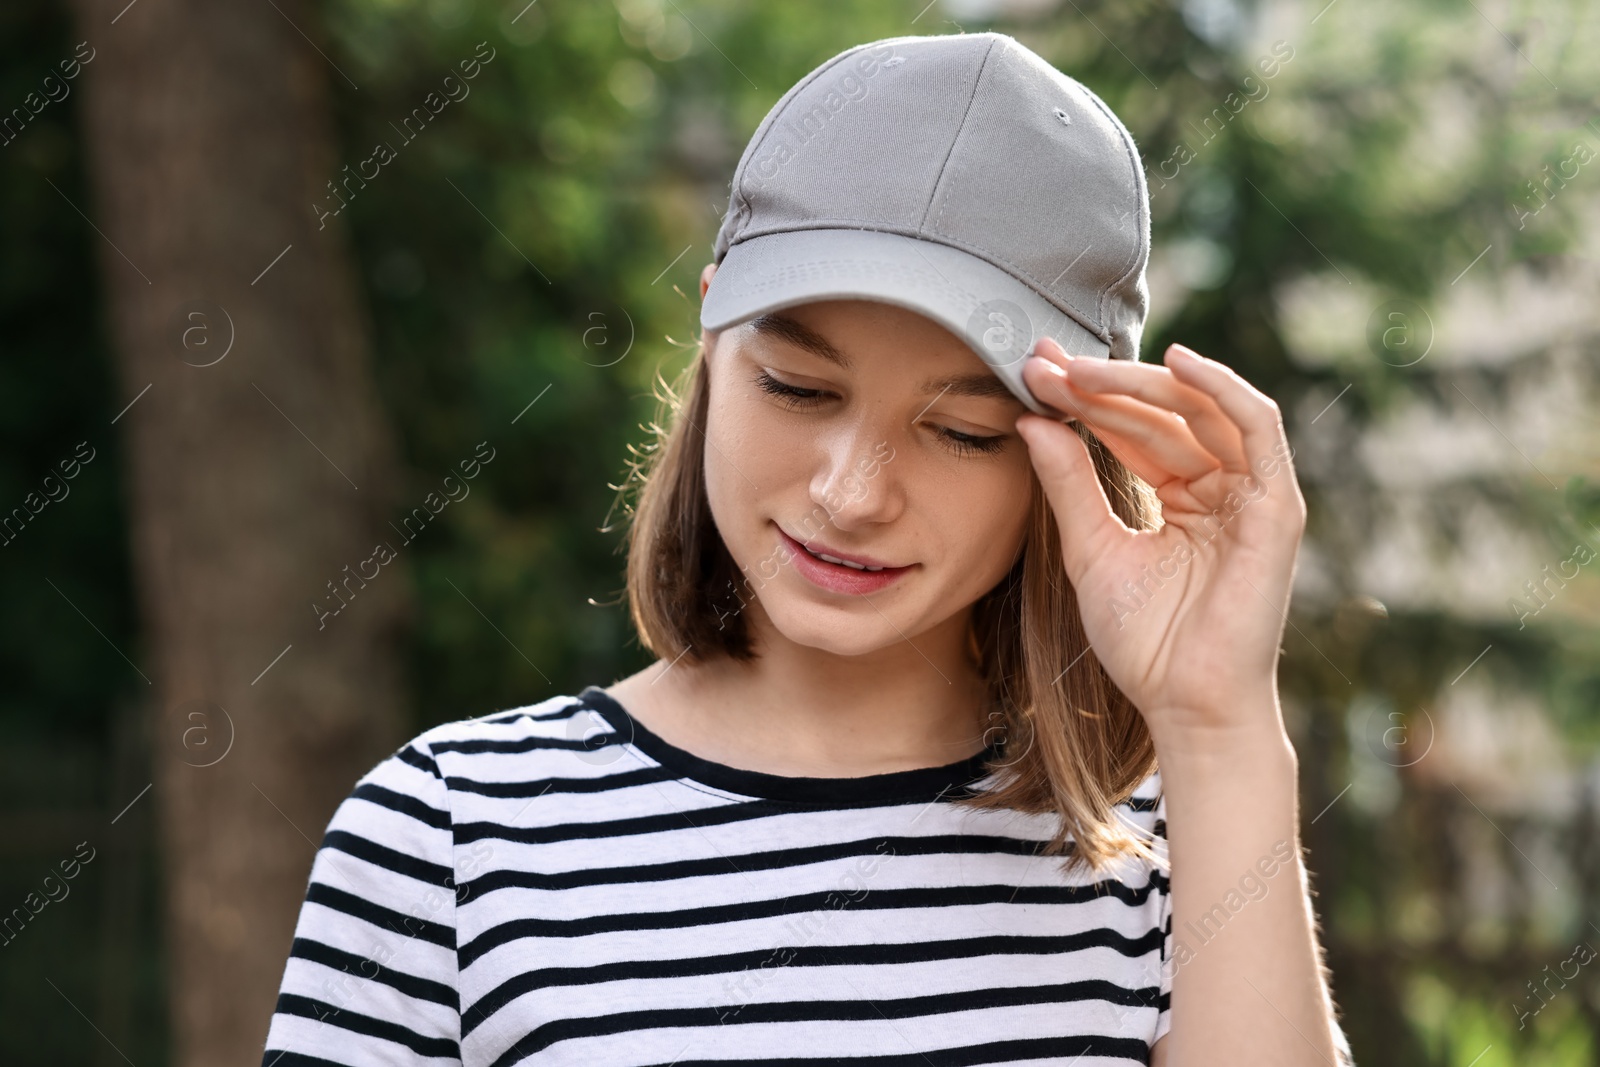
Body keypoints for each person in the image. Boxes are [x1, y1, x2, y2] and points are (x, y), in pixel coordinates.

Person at [261, 31, 1356, 1067]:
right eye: (797, 386)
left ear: (1074, 445)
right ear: (709, 338)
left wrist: (1217, 724)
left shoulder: (1179, 854)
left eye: (960, 430)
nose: (851, 492)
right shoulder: (448, 838)